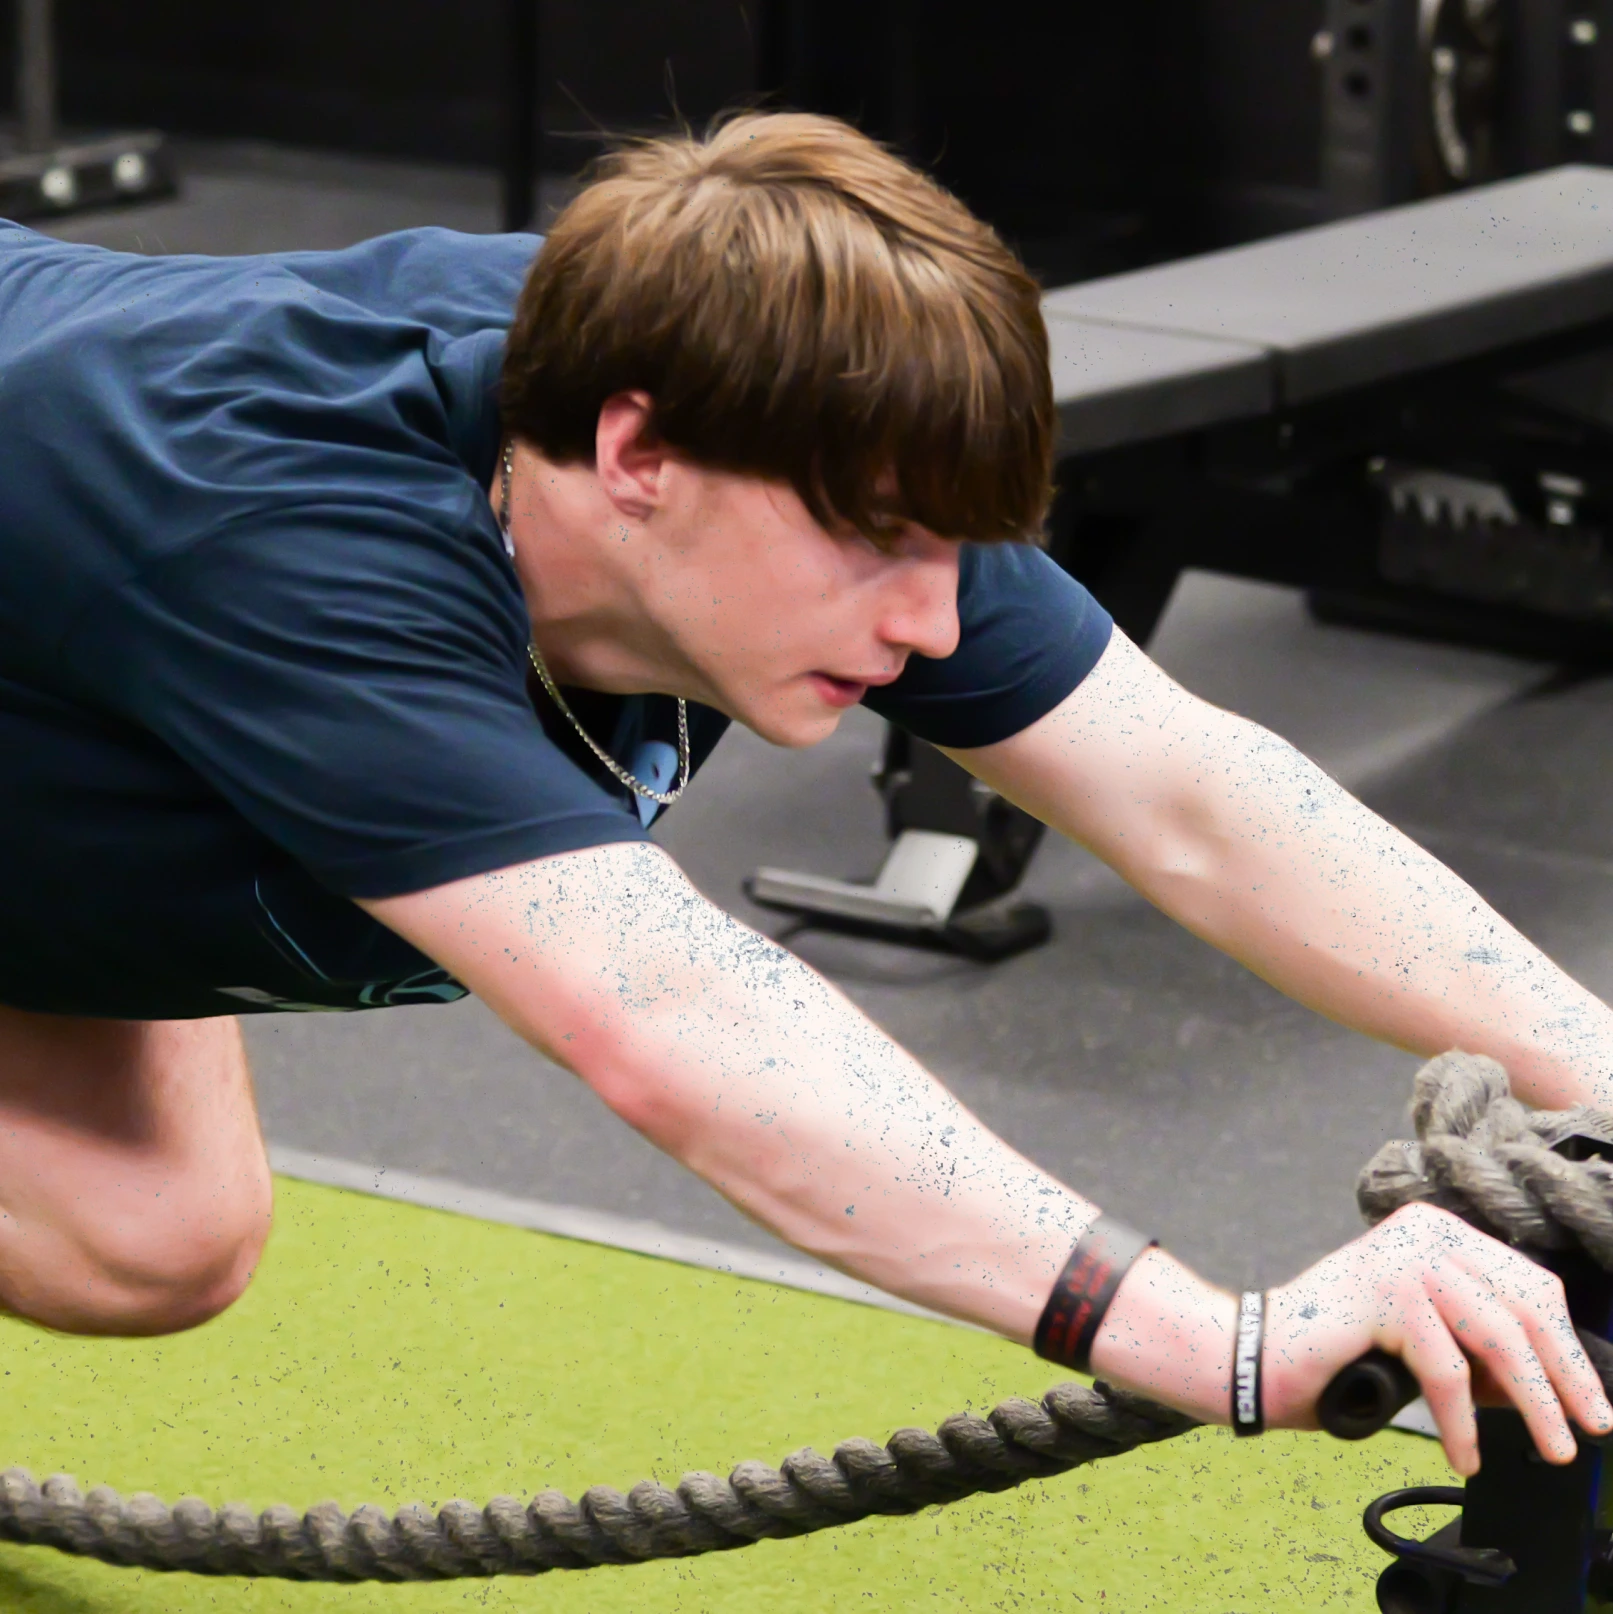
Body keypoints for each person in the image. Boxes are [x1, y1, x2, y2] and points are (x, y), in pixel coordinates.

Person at [0, 111, 1609, 1480]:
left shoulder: (738, 398)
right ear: (639, 459)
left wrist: (1598, 1070)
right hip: (114, 527)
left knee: (155, 1232)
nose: (927, 622)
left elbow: (1192, 790)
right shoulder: (300, 550)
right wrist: (1231, 1343)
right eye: (881, 545)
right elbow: (673, 1017)